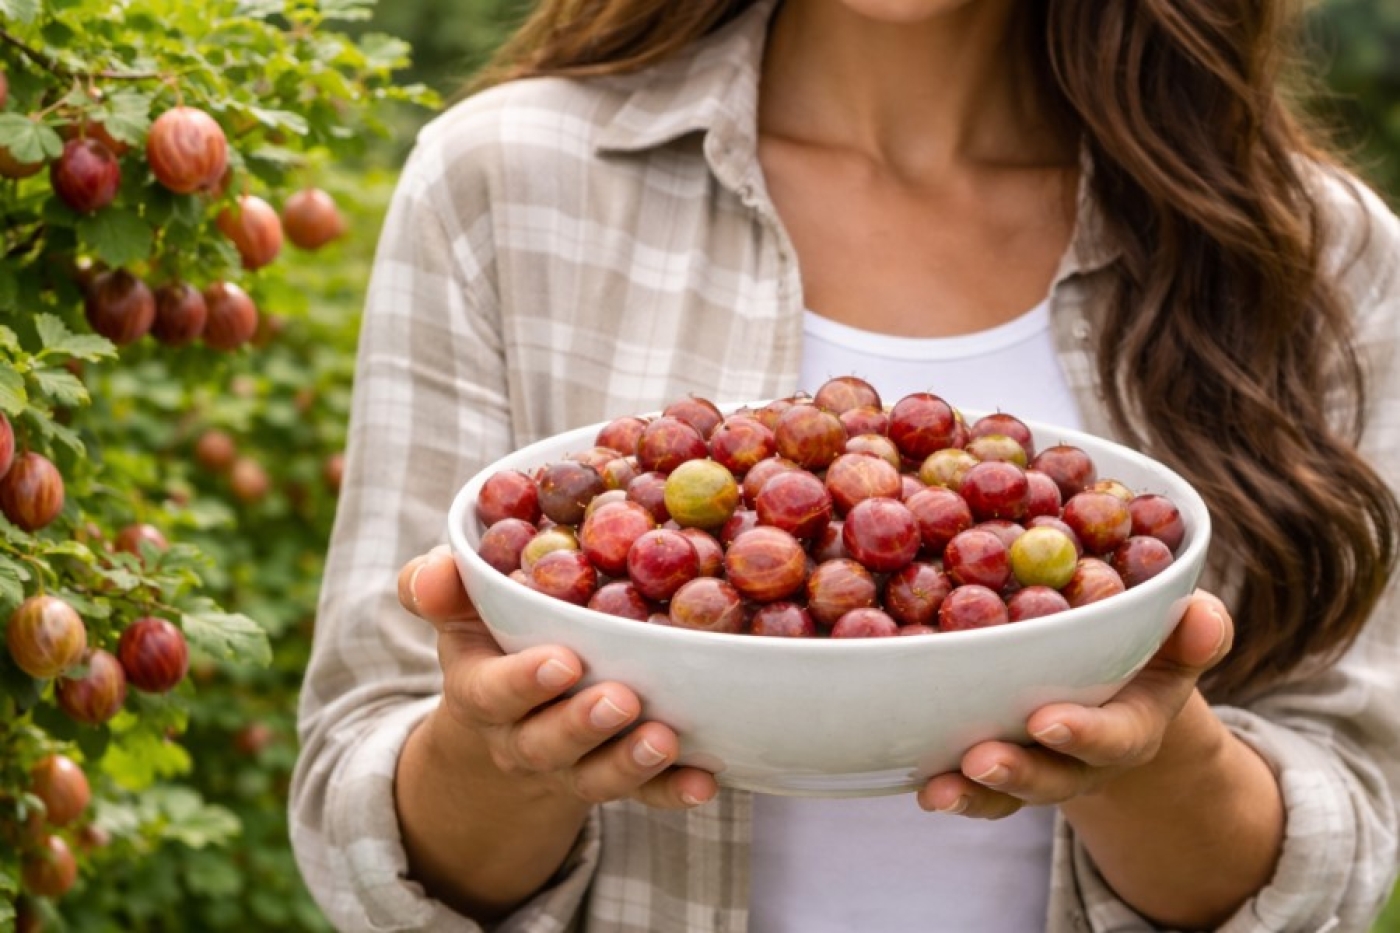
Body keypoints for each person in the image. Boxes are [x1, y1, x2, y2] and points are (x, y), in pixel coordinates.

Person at [289, 0, 1400, 929]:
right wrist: (497, 757)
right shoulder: (503, 182)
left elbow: (1342, 857)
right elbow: (360, 842)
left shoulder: (1319, 255)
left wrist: (1151, 759)